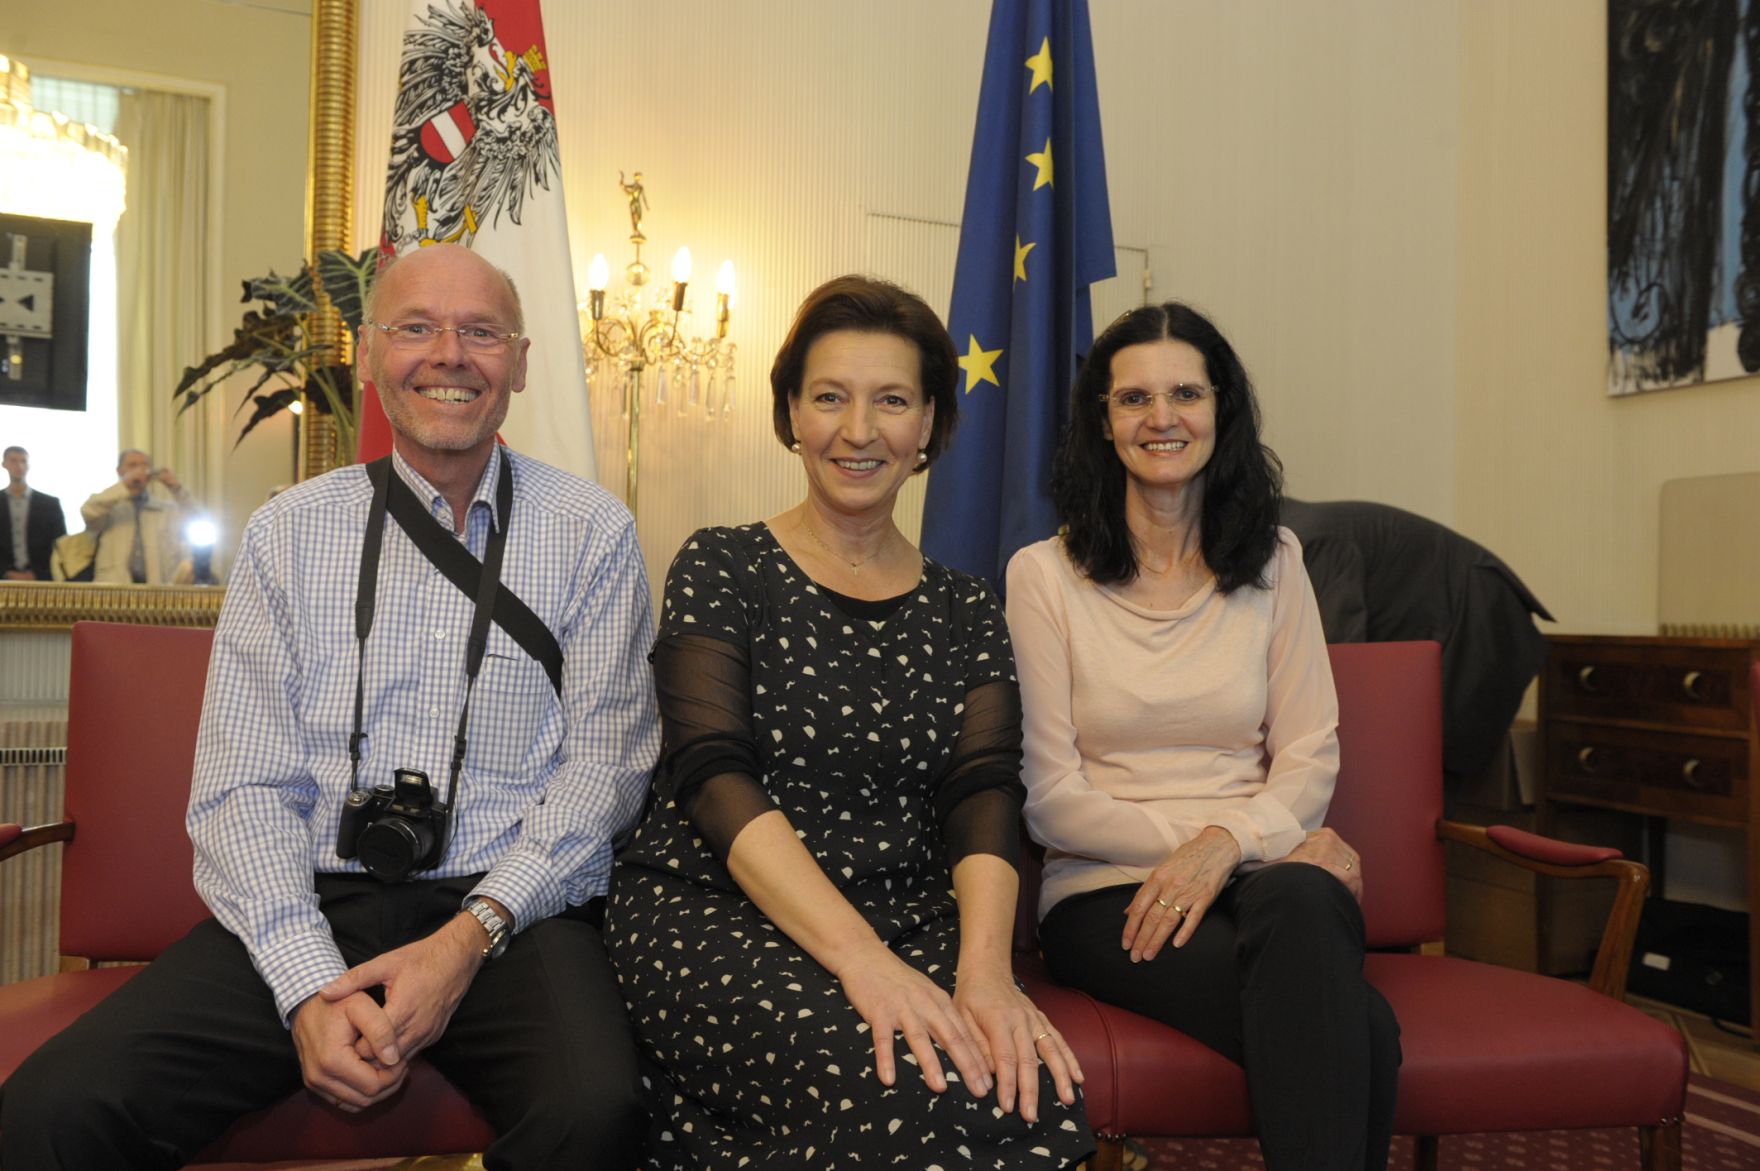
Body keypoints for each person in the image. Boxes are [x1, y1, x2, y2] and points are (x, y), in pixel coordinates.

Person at [0, 243, 662, 1169]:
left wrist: (467, 939)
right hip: (307, 895)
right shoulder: (288, 531)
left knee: (598, 1111)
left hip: (511, 910)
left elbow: (608, 768)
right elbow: (242, 789)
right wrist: (310, 985)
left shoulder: (595, 534)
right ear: (367, 351)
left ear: (518, 360)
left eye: (479, 331)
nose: (449, 354)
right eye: (416, 328)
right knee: (51, 1111)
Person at [607, 275, 1094, 1170]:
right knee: (901, 1094)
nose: (859, 430)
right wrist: (863, 963)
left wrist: (985, 972)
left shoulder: (966, 607)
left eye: (892, 401)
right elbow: (714, 777)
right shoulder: (722, 564)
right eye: (829, 397)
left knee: (1034, 1101)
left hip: (909, 917)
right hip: (719, 913)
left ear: (931, 430)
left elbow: (983, 790)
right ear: (791, 412)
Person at [1005, 302, 1401, 1171]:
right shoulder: (1042, 576)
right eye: (1134, 398)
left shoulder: (1278, 562)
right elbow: (1051, 797)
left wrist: (1227, 845)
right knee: (1360, 1024)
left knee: (1304, 900)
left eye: (1186, 392)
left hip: (1257, 872)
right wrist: (1215, 841)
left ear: (1221, 410)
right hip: (1106, 896)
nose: (1162, 417)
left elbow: (1309, 753)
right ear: (1102, 423)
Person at [1280, 497, 1553, 789]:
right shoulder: (1289, 529)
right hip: (1431, 630)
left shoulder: (1306, 539)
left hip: (1476, 615)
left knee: (1427, 777)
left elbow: (1338, 658)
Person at [80, 448, 195, 584]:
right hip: (113, 589)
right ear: (119, 471)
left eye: (144, 466)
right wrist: (125, 485)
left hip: (157, 590)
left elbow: (195, 522)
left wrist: (176, 488)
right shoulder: (109, 508)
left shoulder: (164, 510)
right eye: (133, 465)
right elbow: (88, 511)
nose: (140, 470)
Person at [2, 444, 66, 580]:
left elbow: (60, 544)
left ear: (28, 465)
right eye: (13, 461)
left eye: (23, 461)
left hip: (42, 579)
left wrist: (38, 574)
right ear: (4, 464)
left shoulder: (50, 504)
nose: (19, 465)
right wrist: (5, 573)